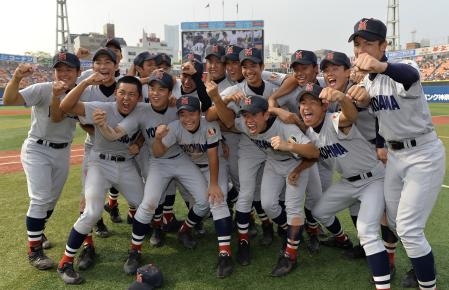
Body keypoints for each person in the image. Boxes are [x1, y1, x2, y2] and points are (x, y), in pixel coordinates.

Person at [350, 17, 445, 290]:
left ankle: (428, 284)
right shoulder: (368, 82)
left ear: (383, 45)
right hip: (395, 156)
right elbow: (382, 116)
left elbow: (410, 76)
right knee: (393, 221)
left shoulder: (405, 67)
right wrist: (380, 142)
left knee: (408, 229)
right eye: (358, 45)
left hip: (423, 154)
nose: (362, 49)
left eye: (369, 43)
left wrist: (381, 66)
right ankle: (420, 268)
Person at [56, 75, 145, 284]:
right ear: (115, 93)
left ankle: (135, 251)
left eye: (132, 94)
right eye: (122, 92)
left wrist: (139, 142)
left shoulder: (141, 110)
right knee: (92, 212)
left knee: (144, 206)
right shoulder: (101, 106)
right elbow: (65, 105)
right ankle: (65, 262)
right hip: (100, 163)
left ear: (139, 98)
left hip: (125, 163)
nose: (126, 98)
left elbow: (128, 132)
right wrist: (85, 83)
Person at [3, 52, 81, 270]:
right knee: (40, 198)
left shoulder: (81, 91)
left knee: (50, 201)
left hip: (63, 151)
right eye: (59, 69)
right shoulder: (43, 88)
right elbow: (9, 100)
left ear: (78, 73)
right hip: (38, 148)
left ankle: (38, 231)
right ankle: (34, 251)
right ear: (54, 71)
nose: (63, 73)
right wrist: (17, 77)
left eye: (69, 69)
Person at [234, 95, 319, 276]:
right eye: (245, 115)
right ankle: (291, 233)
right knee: (268, 205)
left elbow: (313, 152)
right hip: (273, 162)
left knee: (293, 208)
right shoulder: (245, 124)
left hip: (296, 164)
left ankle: (290, 256)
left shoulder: (283, 126)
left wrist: (289, 146)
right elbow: (226, 122)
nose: (249, 120)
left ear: (265, 115)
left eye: (254, 115)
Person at [152, 96, 234, 278]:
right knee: (203, 203)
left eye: (192, 113)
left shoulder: (209, 125)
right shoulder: (175, 127)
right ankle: (184, 230)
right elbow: (157, 153)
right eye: (183, 114)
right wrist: (158, 139)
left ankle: (225, 254)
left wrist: (213, 184)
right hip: (193, 167)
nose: (187, 118)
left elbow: (213, 156)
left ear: (200, 113)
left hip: (215, 164)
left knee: (217, 201)